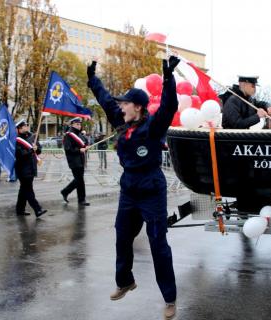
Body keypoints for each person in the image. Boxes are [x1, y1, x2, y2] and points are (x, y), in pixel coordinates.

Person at [87, 57, 179, 319]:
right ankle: (125, 281)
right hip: (129, 189)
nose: (120, 105)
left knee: (158, 243)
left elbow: (170, 105)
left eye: (125, 102)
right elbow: (105, 99)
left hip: (151, 189)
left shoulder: (153, 127)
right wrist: (93, 79)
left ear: (137, 107)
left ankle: (170, 298)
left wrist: (168, 76)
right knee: (122, 236)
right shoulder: (121, 121)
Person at [14, 119, 47, 217]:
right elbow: (20, 154)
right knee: (28, 189)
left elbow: (39, 150)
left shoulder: (32, 137)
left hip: (32, 166)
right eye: (25, 126)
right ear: (19, 128)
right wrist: (31, 150)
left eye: (27, 125)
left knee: (24, 189)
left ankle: (20, 209)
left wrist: (37, 149)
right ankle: (38, 209)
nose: (27, 127)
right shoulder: (16, 139)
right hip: (22, 168)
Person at [61, 117, 90, 206]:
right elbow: (68, 149)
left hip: (81, 160)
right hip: (74, 161)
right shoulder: (68, 135)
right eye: (77, 124)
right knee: (80, 180)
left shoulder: (80, 134)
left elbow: (84, 144)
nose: (79, 126)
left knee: (79, 179)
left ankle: (65, 191)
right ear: (72, 124)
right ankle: (81, 200)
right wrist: (79, 150)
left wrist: (86, 147)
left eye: (80, 124)